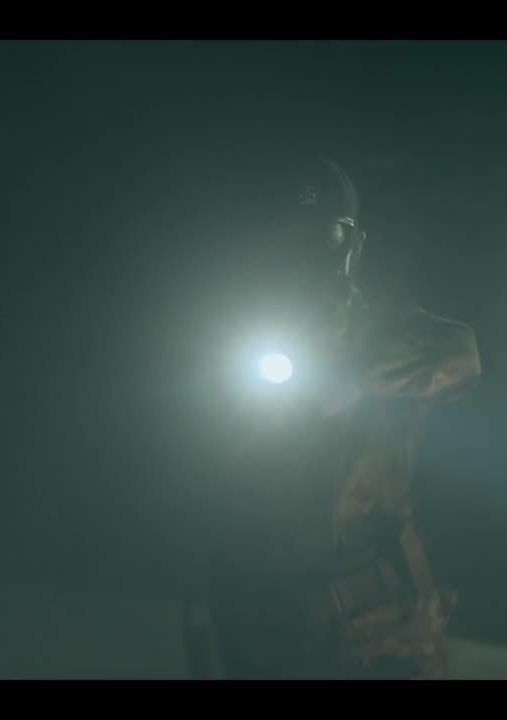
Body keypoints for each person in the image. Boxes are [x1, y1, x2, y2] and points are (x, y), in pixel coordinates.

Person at [192, 157, 481, 679]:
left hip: (380, 616)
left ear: (356, 244)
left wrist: (353, 376)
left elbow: (463, 355)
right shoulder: (236, 338)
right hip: (267, 611)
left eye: (328, 235)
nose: (311, 254)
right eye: (293, 238)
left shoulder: (384, 329)